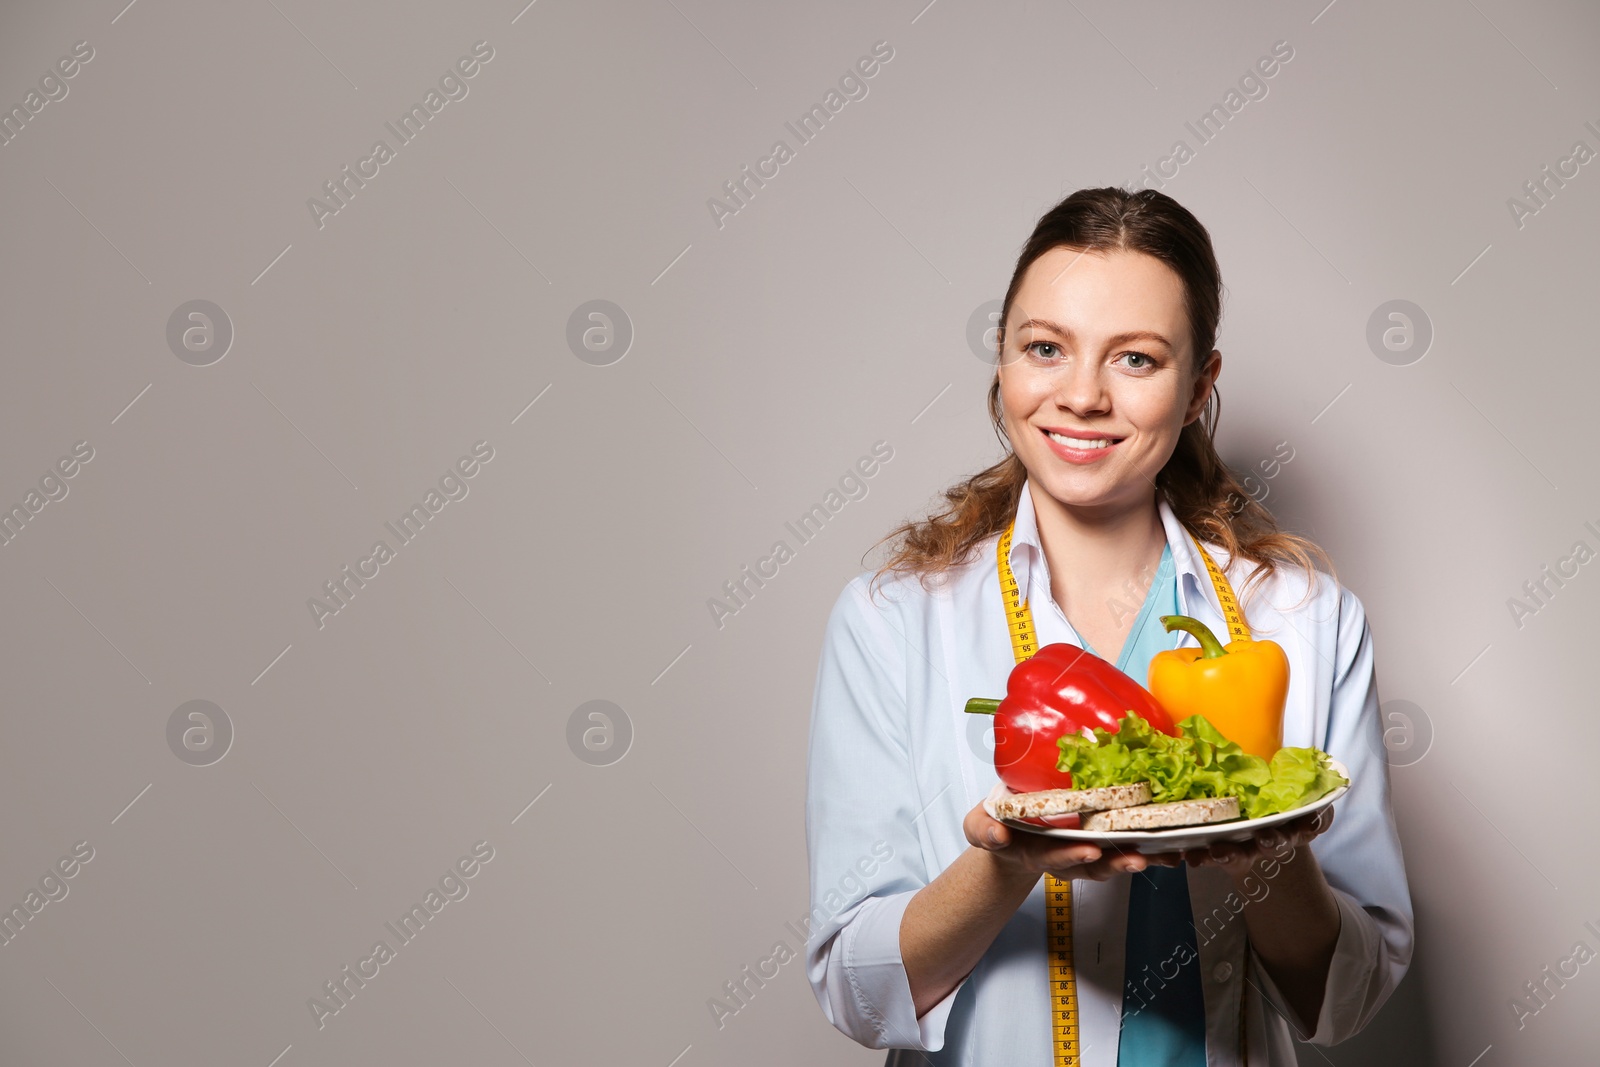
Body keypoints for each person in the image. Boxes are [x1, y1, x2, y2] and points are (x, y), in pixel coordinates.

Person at [803, 187, 1413, 1065]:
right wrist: (1005, 866)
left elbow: (1348, 996)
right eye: (1045, 348)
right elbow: (855, 989)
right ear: (1003, 363)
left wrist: (1260, 857)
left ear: (1200, 384)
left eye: (1135, 359)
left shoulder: (1308, 623)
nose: (1081, 395)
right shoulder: (893, 621)